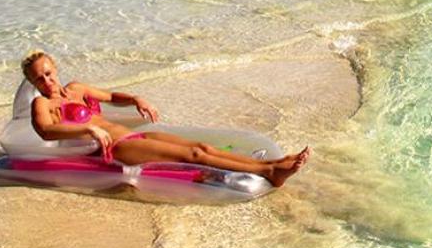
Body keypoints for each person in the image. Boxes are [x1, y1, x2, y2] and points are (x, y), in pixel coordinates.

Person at [21, 51, 310, 187]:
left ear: (55, 69)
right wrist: (87, 130)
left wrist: (134, 98)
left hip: (131, 136)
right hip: (114, 149)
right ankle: (269, 172)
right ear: (32, 83)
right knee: (194, 155)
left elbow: (110, 96)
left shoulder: (76, 88)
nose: (47, 81)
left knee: (202, 147)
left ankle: (274, 163)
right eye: (39, 79)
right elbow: (46, 131)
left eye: (48, 73)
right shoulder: (42, 104)